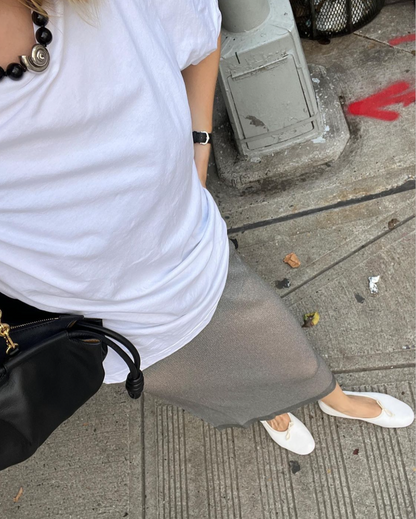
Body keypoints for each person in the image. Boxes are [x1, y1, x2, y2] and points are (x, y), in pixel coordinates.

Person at [0, 0, 413, 457]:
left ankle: (335, 399)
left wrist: (199, 148)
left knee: (284, 351)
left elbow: (199, 28)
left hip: (190, 256)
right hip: (93, 323)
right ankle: (266, 408)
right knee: (205, 386)